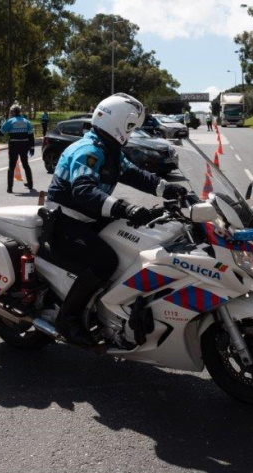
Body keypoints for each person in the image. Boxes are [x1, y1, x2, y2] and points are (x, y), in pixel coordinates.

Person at [45, 93, 187, 346]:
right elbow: (83, 191)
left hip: (88, 218)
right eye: (130, 126)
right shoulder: (88, 150)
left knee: (135, 244)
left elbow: (135, 175)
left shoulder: (109, 150)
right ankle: (68, 320)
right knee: (105, 260)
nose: (131, 132)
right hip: (66, 221)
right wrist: (126, 208)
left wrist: (169, 189)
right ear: (117, 122)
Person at [0, 103, 35, 193]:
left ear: (14, 112)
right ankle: (30, 185)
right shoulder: (26, 121)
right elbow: (31, 135)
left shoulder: (10, 121)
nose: (10, 113)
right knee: (25, 164)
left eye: (11, 111)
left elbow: (1, 133)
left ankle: (9, 188)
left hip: (14, 145)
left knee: (11, 166)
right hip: (24, 145)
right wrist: (32, 147)